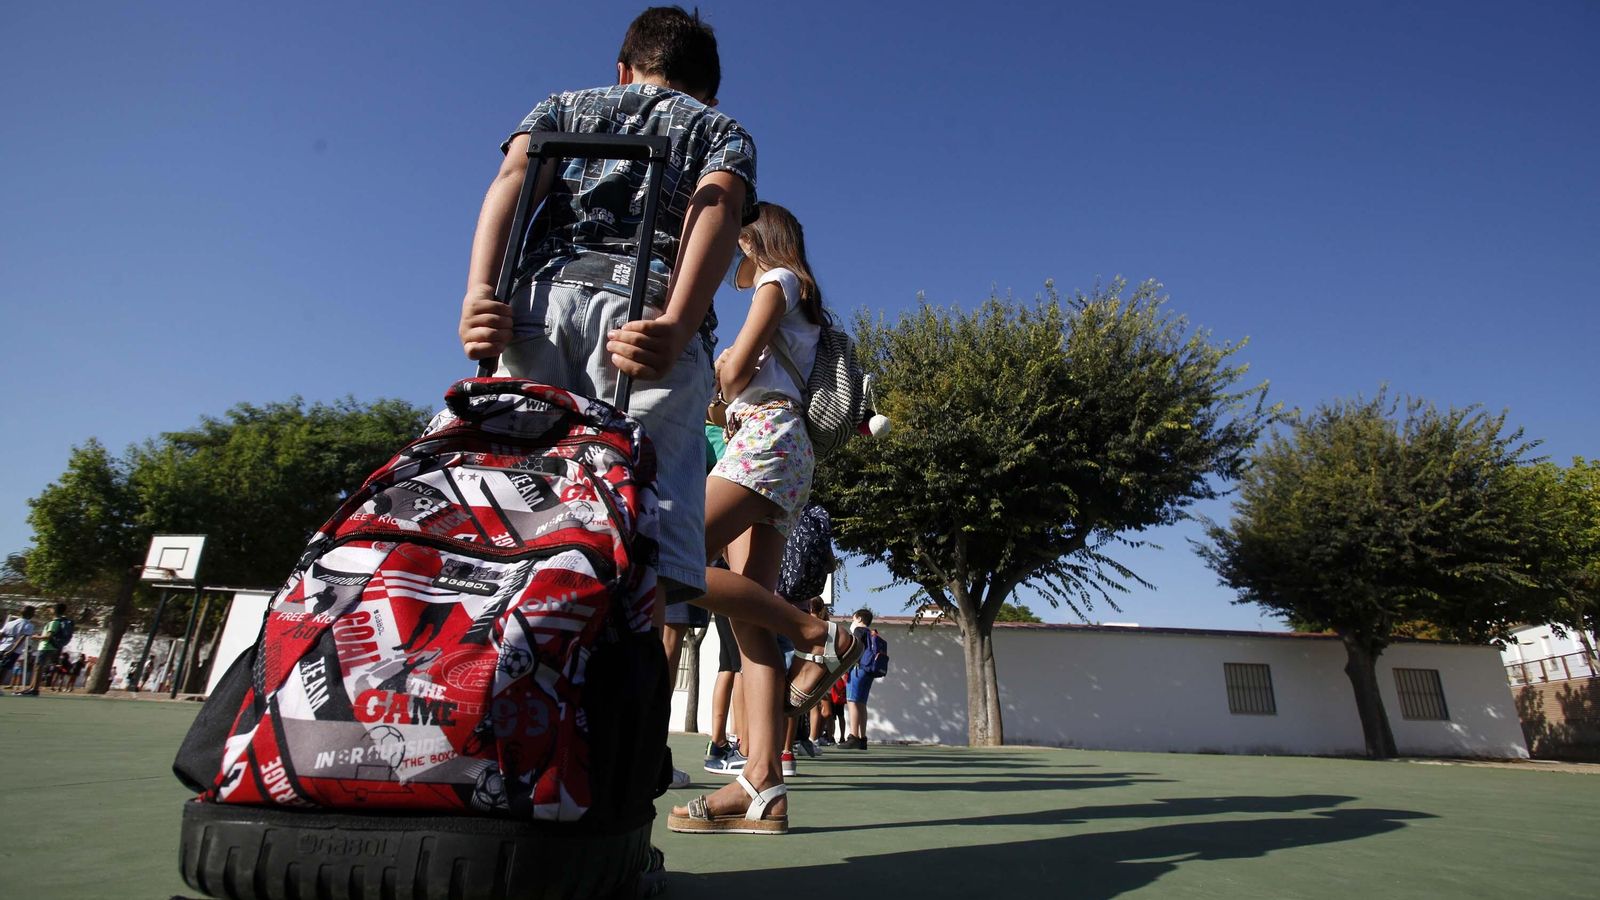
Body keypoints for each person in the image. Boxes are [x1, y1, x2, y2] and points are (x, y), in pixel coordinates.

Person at [457, 5, 755, 623]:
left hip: (537, 304)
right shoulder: (721, 129)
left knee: (512, 509)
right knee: (649, 538)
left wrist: (480, 292)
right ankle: (619, 677)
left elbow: (516, 175)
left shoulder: (560, 107)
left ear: (623, 70)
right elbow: (718, 207)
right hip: (644, 320)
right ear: (709, 88)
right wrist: (676, 323)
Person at [668, 203, 863, 836]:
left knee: (662, 552)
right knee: (748, 618)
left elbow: (733, 369)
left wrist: (722, 373)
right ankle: (762, 785)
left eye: (735, 246)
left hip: (763, 436)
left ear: (754, 241)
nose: (729, 260)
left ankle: (816, 635)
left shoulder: (778, 282)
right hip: (785, 446)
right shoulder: (799, 294)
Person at [840, 609, 878, 749]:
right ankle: (862, 738)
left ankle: (853, 736)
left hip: (857, 669)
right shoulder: (871, 632)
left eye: (854, 618)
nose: (852, 621)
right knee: (861, 703)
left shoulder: (858, 632)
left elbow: (854, 650)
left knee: (852, 701)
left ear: (860, 618)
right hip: (868, 670)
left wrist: (844, 669)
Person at [0, 606, 37, 693]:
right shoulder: (28, 625)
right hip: (13, 650)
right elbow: (22, 638)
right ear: (30, 614)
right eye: (33, 612)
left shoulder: (10, 623)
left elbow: (2, 634)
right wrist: (12, 650)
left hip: (2, 647)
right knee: (4, 668)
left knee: (3, 667)